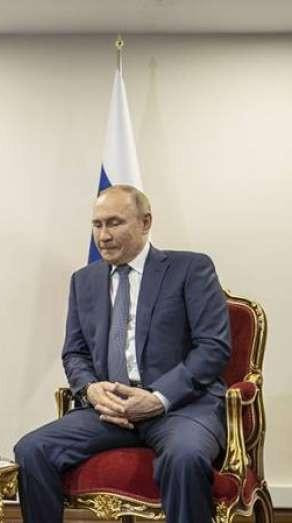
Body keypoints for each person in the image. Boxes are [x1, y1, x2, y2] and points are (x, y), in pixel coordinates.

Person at [14, 185, 231, 523]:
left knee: (185, 457)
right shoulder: (84, 280)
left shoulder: (190, 269)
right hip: (110, 412)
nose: (103, 236)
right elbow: (75, 352)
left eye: (114, 223)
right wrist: (90, 389)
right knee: (31, 449)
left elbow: (213, 348)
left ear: (145, 222)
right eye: (97, 224)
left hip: (181, 407)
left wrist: (158, 398)